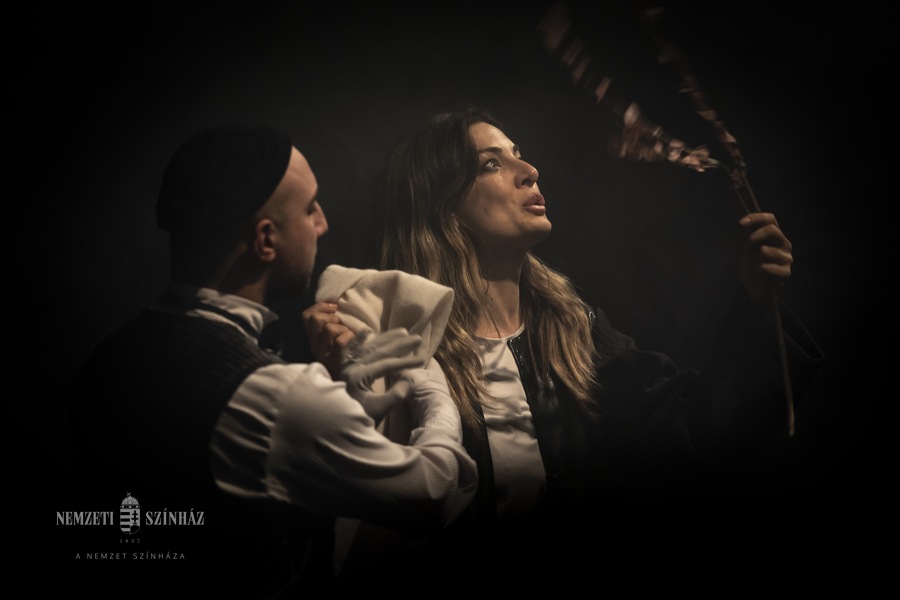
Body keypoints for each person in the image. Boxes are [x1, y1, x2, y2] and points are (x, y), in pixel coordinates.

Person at [305, 107, 824, 575]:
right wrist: (335, 378)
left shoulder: (576, 332)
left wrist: (757, 304)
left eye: (519, 154)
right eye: (491, 164)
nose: (529, 171)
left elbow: (700, 430)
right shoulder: (398, 342)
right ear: (441, 206)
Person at [65, 124, 477, 596]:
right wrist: (431, 389)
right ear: (266, 240)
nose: (322, 224)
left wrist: (345, 409)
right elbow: (434, 495)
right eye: (310, 208)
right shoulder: (277, 396)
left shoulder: (105, 361)